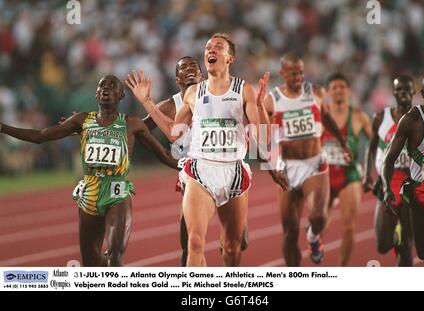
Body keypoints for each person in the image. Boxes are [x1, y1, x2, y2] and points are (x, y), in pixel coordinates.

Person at [126, 33, 274, 266]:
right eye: (208, 48)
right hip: (200, 170)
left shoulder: (243, 90)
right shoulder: (195, 93)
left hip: (233, 171)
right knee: (195, 243)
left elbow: (265, 139)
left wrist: (258, 106)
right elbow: (174, 132)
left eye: (218, 47)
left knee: (233, 247)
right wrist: (147, 102)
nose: (211, 51)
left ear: (230, 58)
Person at [0, 75, 178, 266]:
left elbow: (164, 155)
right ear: (96, 94)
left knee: (116, 256)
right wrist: (3, 127)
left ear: (121, 95)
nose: (106, 89)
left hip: (116, 190)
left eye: (112, 86)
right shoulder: (82, 120)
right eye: (102, 86)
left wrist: (190, 166)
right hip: (90, 190)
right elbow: (40, 136)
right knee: (90, 264)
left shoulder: (132, 124)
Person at [141, 56, 249, 266]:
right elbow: (141, 129)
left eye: (193, 66)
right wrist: (166, 157)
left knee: (238, 242)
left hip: (229, 170)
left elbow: (255, 124)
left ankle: (226, 238)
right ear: (177, 78)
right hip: (195, 173)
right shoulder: (170, 105)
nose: (189, 69)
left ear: (202, 75)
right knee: (191, 242)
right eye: (183, 67)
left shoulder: (224, 92)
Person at [263, 53, 351, 266]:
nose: (298, 78)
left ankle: (313, 237)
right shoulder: (271, 100)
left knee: (318, 217)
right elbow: (266, 138)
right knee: (290, 232)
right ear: (282, 73)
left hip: (314, 164)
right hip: (287, 166)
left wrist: (341, 141)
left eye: (301, 73)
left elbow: (327, 118)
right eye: (293, 74)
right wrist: (274, 166)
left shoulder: (316, 92)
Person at [382, 72, 424, 266]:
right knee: (423, 252)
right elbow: (389, 159)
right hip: (421, 192)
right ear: (423, 94)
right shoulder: (412, 121)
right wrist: (387, 189)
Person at [363, 75, 415, 266]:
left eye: (406, 89)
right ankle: (396, 236)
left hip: (412, 183)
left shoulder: (421, 118)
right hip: (388, 182)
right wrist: (367, 174)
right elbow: (371, 147)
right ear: (393, 93)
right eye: (398, 90)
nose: (402, 93)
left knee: (407, 248)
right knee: (382, 245)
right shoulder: (380, 117)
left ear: (413, 91)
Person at [321, 73, 372, 266]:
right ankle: (314, 240)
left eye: (342, 86)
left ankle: (342, 269)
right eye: (334, 87)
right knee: (317, 222)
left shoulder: (359, 116)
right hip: (323, 176)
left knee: (349, 226)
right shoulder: (319, 116)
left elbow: (377, 143)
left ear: (349, 91)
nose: (338, 90)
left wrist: (370, 171)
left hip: (350, 175)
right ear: (327, 92)